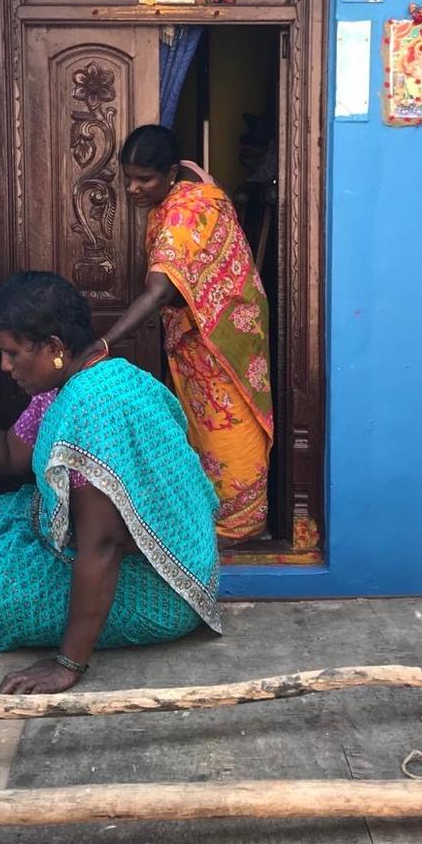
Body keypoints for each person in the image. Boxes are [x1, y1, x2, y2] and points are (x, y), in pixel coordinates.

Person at [0, 271, 221, 695]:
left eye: (13, 353)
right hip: (108, 548)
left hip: (158, 584)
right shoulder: (70, 381)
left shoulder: (94, 411)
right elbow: (10, 452)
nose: (4, 367)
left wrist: (66, 664)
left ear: (55, 348)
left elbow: (104, 545)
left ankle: (84, 638)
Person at [84, 125, 273, 546]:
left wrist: (105, 343)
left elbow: (159, 291)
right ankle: (210, 510)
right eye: (127, 177)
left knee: (228, 422)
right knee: (201, 425)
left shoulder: (186, 212)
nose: (132, 188)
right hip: (208, 327)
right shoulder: (191, 180)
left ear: (170, 173)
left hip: (220, 336)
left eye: (144, 179)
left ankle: (241, 523)